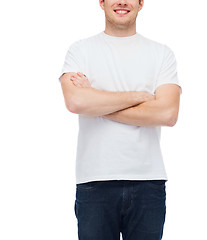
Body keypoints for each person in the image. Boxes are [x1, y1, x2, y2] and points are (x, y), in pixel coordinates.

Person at [59, 0, 182, 239]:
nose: (122, 2)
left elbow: (167, 114)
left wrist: (96, 102)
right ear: (102, 2)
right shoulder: (80, 51)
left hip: (148, 181)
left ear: (141, 3)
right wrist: (139, 97)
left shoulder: (161, 53)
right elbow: (76, 102)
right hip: (95, 180)